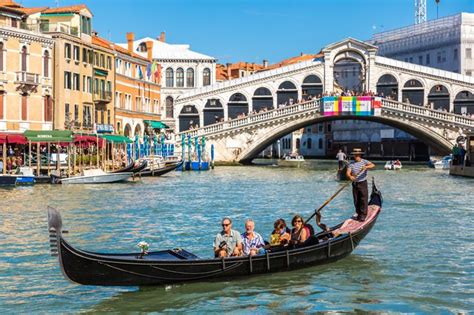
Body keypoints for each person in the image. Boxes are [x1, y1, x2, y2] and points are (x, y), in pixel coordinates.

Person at [346, 148, 375, 222]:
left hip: (362, 183)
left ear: (360, 155)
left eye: (357, 155)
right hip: (355, 184)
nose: (355, 156)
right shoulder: (351, 164)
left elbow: (373, 165)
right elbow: (348, 172)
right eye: (355, 155)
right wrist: (350, 176)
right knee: (356, 200)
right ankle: (358, 214)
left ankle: (363, 215)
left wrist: (366, 167)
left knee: (363, 199)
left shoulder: (364, 161)